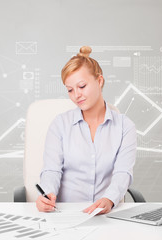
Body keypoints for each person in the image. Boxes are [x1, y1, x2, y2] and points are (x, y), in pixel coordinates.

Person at [36, 46, 136, 214]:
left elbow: (123, 173)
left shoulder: (125, 127)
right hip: (65, 215)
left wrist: (109, 199)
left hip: (106, 215)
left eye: (82, 86)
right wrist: (47, 193)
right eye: (70, 90)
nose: (76, 95)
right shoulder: (60, 124)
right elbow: (52, 169)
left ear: (100, 81)